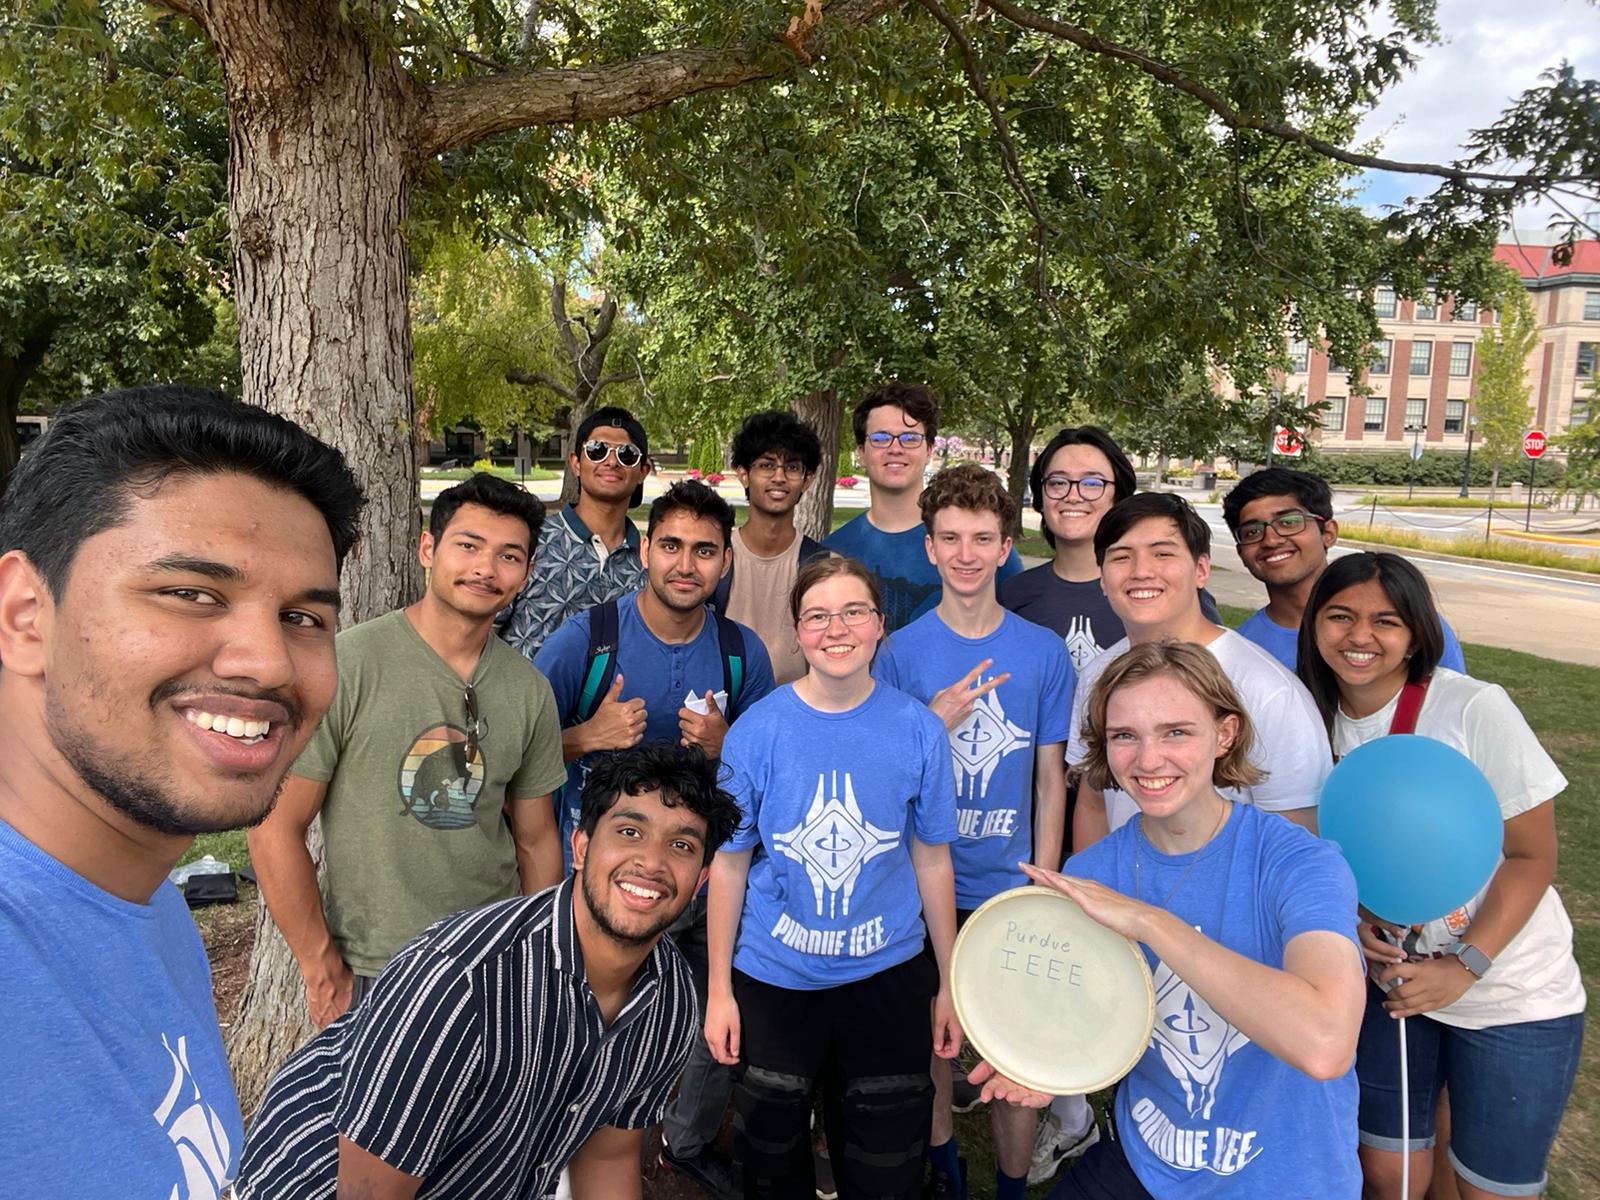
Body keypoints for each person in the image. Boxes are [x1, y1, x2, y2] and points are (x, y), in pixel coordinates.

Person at [0, 385, 363, 1199]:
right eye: (192, 594)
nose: (267, 663)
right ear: (25, 613)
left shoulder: (144, 901)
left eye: (305, 618)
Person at [235, 742, 743, 1200]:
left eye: (681, 845)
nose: (651, 862)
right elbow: (368, 1193)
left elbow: (606, 1157)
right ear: (582, 847)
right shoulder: (461, 981)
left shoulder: (671, 1000)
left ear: (700, 879)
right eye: (629, 831)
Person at [970, 640, 1367, 1199]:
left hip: (1283, 1178)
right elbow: (1090, 1019)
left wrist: (1150, 922)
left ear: (1225, 733)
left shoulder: (1299, 862)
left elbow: (1325, 1043)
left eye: (1176, 732)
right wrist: (1040, 1062)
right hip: (1148, 1163)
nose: (1148, 760)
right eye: (1124, 736)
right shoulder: (1092, 874)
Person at [1298, 552, 1584, 1200]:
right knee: (1388, 1173)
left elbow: (1532, 856)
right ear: (1315, 623)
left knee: (1489, 1189)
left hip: (1512, 992)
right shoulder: (1310, 720)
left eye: (1386, 620)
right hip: (1392, 982)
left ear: (1417, 631)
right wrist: (1357, 920)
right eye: (1340, 615)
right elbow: (1334, 852)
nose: (1359, 636)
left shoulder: (1473, 708)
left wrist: (1465, 966)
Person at [249, 473, 567, 1027]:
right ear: (428, 548)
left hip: (490, 964)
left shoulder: (528, 689)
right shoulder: (349, 665)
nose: (485, 568)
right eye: (468, 545)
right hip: (374, 966)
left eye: (508, 556)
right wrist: (319, 965)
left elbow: (537, 840)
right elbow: (274, 828)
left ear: (526, 575)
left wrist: (545, 957)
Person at [537, 479, 774, 1199]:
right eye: (670, 544)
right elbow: (525, 751)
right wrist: (586, 735)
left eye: (704, 550)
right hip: (602, 879)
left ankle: (687, 1142)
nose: (685, 564)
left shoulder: (741, 654)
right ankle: (560, 1146)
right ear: (646, 549)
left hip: (703, 881)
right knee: (587, 1016)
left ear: (725, 562)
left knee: (713, 1008)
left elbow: (768, 769)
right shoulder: (590, 638)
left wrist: (728, 744)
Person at [704, 556, 962, 1199]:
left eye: (854, 612)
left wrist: (949, 983)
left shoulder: (920, 730)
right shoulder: (756, 732)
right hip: (774, 979)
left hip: (888, 978)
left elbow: (932, 859)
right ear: (797, 632)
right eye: (817, 615)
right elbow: (730, 865)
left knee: (884, 1162)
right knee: (769, 1156)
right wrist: (719, 990)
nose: (836, 628)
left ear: (881, 626)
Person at [874, 464, 1074, 1200]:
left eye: (981, 538)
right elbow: (884, 781)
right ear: (928, 548)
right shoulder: (897, 653)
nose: (965, 553)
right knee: (938, 1039)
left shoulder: (1042, 652)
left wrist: (1045, 879)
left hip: (1008, 883)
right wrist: (931, 724)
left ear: (1004, 546)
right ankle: (947, 1167)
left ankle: (1013, 1187)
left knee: (1014, 1050)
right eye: (950, 538)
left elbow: (1050, 776)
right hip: (926, 885)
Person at [1069, 492, 1331, 850]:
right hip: (1120, 898)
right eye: (1121, 556)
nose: (1141, 571)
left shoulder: (1265, 689)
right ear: (1101, 577)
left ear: (1201, 569)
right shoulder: (1099, 674)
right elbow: (1096, 799)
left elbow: (1295, 839)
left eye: (1163, 553)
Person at [1001, 425, 1219, 670]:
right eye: (1058, 482)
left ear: (1119, 497)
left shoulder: (1164, 593)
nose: (1073, 495)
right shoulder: (1011, 595)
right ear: (1041, 498)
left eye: (1092, 483)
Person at [1222, 467, 1466, 673]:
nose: (1271, 540)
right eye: (1252, 531)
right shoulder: (1239, 650)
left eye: (1288, 522)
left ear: (1328, 533)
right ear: (1241, 551)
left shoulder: (1406, 623)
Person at [824, 381, 1021, 630]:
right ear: (861, 452)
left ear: (929, 450)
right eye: (881, 438)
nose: (895, 448)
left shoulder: (978, 545)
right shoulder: (833, 551)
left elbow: (1019, 634)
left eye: (909, 438)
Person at [497, 406, 653, 660]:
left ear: (643, 471)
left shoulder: (651, 562)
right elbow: (481, 630)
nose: (611, 462)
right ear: (576, 463)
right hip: (522, 698)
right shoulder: (529, 539)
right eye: (597, 450)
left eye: (627, 455)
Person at [711, 409, 830, 685]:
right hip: (721, 714)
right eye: (766, 465)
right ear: (743, 475)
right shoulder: (713, 557)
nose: (779, 477)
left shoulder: (822, 565)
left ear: (807, 480)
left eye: (791, 467)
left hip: (795, 716)